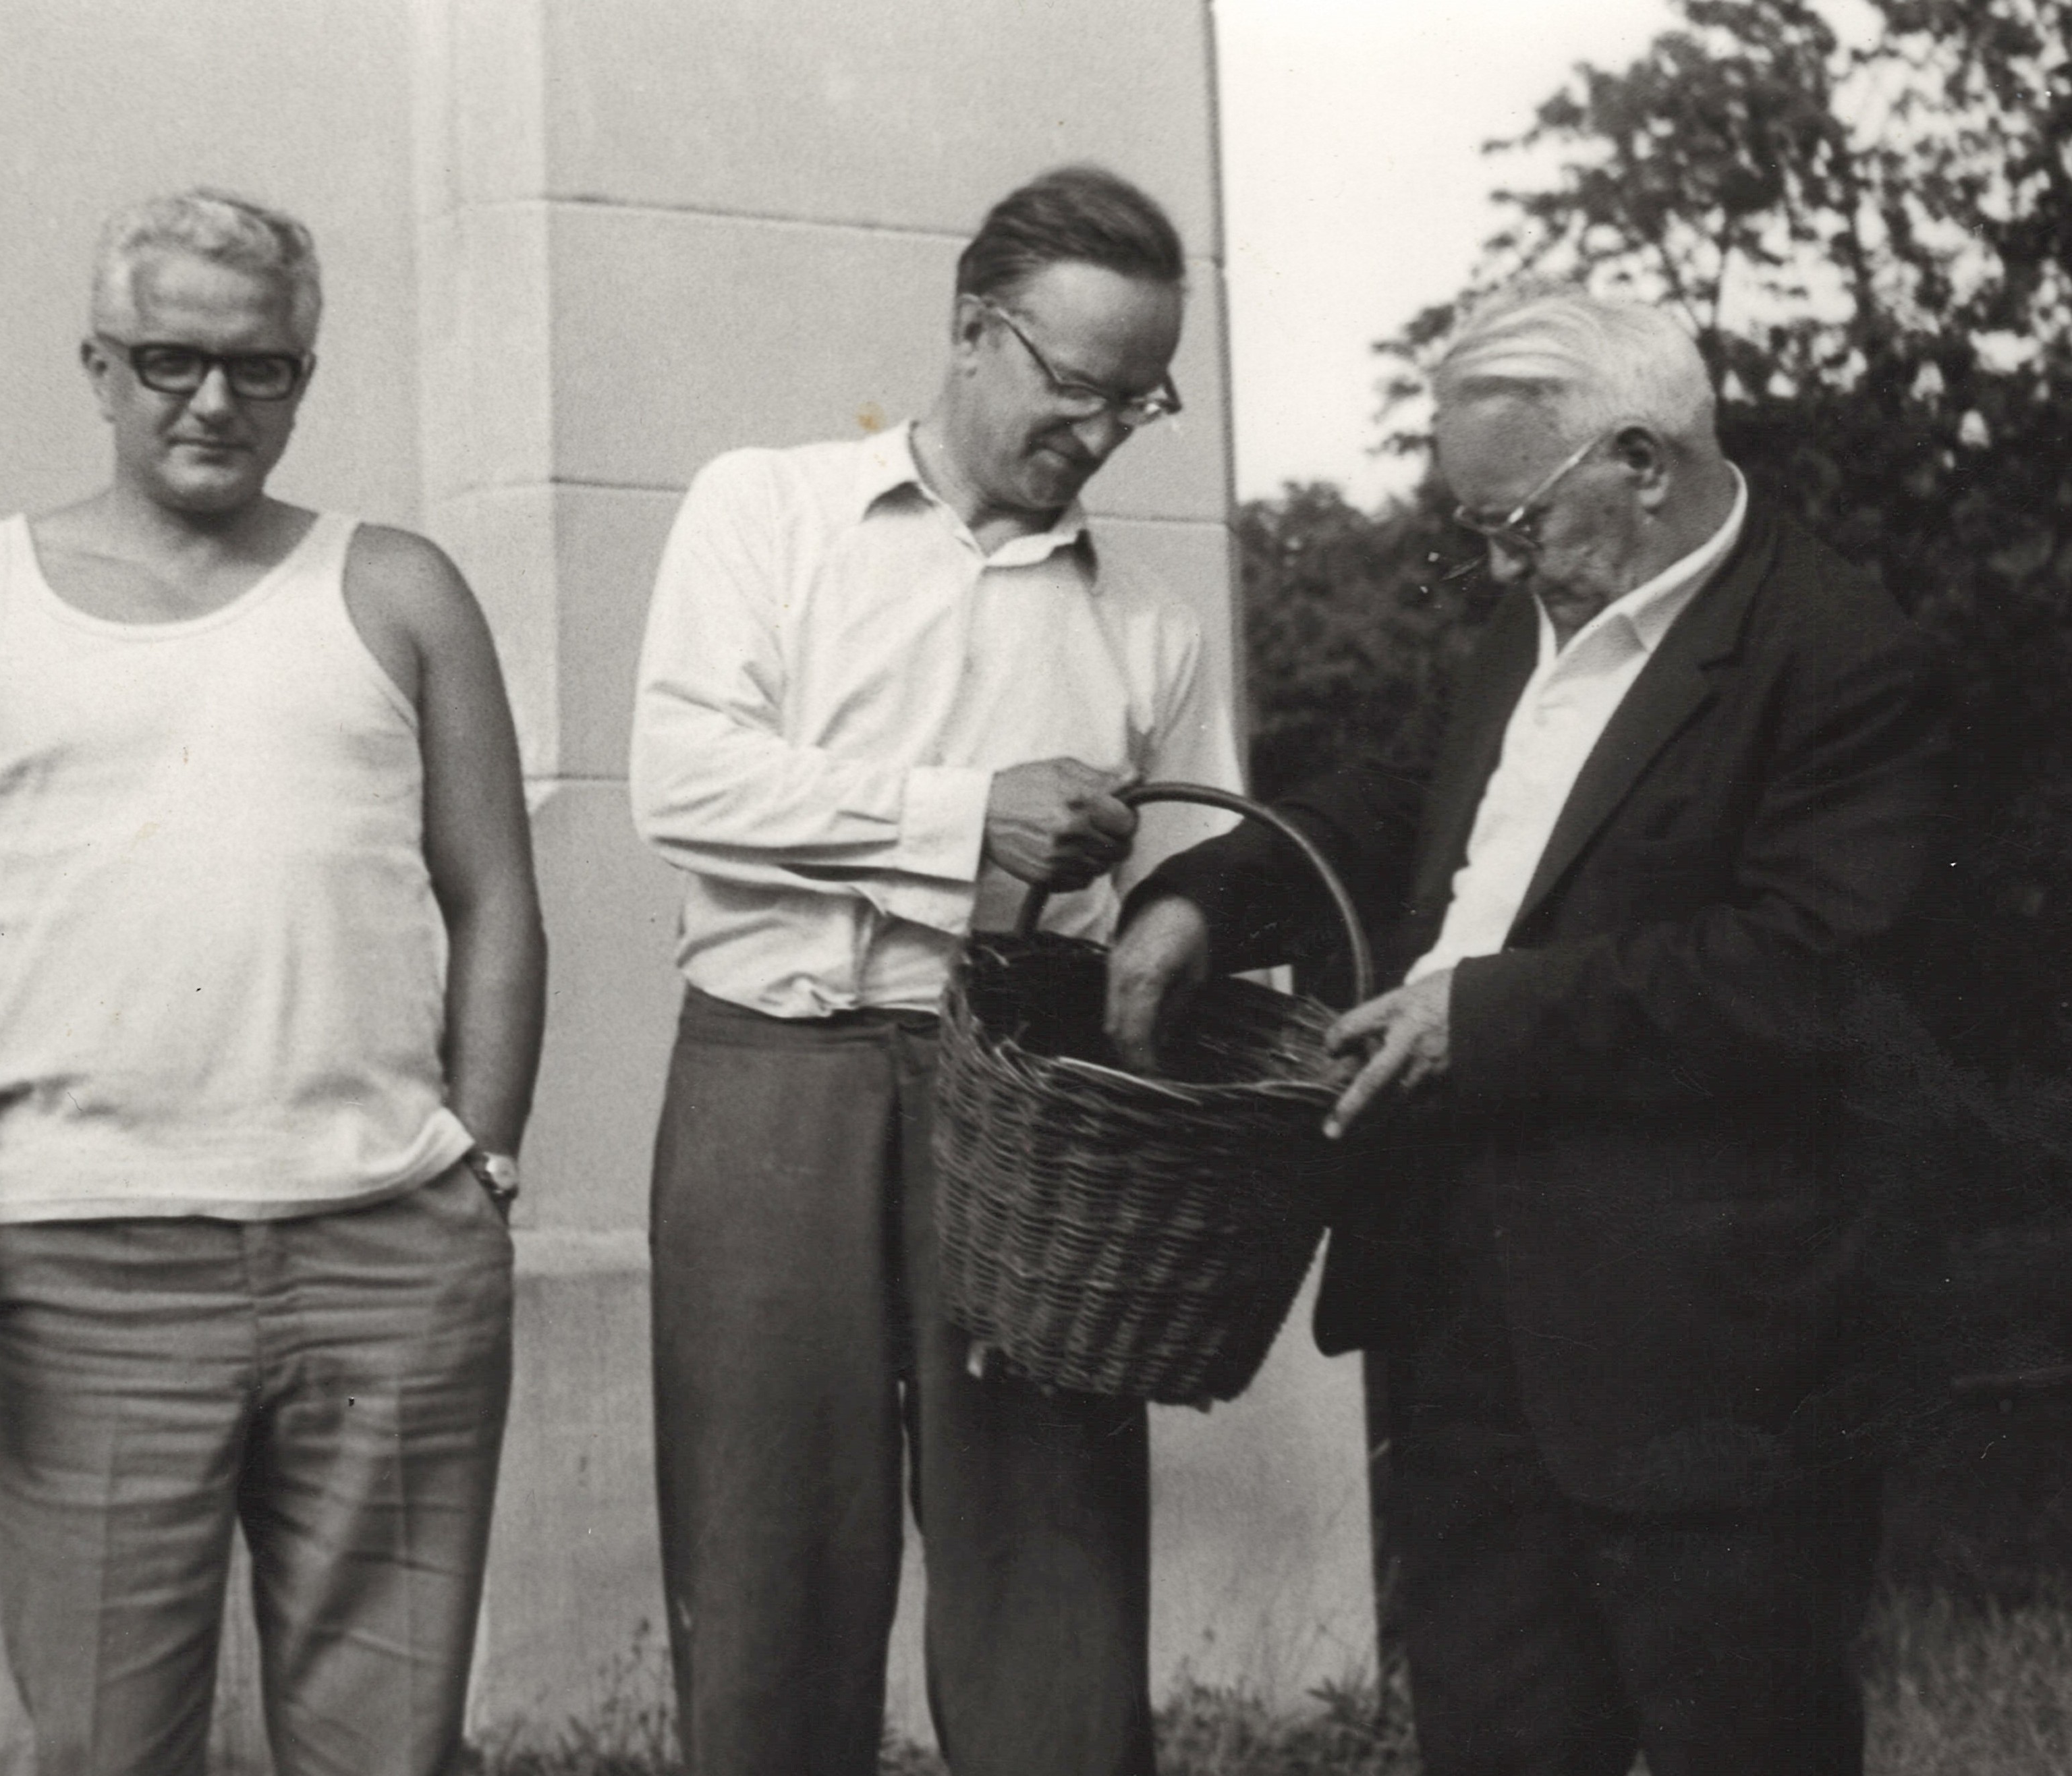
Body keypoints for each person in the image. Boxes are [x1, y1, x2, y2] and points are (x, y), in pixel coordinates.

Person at [1108, 288, 1948, 1776]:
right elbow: (1396, 800)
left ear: (1641, 459)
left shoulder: (1840, 653)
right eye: (1478, 527)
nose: (1498, 561)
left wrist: (1477, 1017)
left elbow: (1806, 970)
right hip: (1462, 1305)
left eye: (1516, 522)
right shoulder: (1538, 618)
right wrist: (1204, 898)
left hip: (1709, 1361)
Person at [0, 189, 546, 1776]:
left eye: (260, 366)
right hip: (92, 1266)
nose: (214, 400)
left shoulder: (400, 590)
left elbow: (497, 898)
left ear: (304, 375)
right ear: (98, 366)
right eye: (171, 359)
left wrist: (483, 1172)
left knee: (387, 1750)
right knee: (110, 1742)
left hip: (388, 1260)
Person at [628, 165, 1243, 1776]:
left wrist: (1181, 921)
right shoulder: (766, 510)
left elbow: (1197, 881)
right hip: (772, 1083)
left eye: (1141, 399)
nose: (1102, 432)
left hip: (1034, 1127)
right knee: (763, 1585)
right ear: (975, 329)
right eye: (1078, 384)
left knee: (1055, 1582)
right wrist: (970, 816)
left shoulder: (1153, 628)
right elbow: (684, 781)